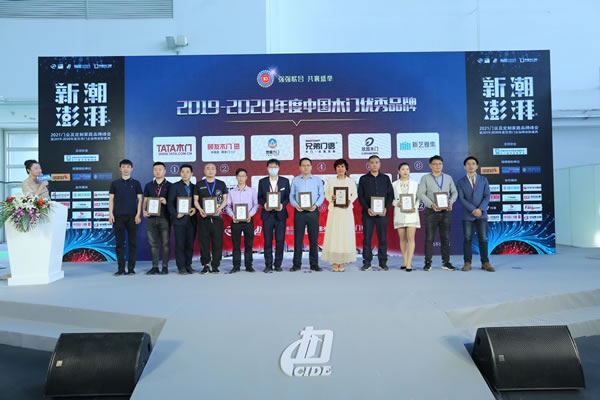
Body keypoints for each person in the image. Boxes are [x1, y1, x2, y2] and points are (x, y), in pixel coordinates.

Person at [417, 155, 458, 271]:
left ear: (442, 165)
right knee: (429, 238)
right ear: (430, 165)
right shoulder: (425, 178)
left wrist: (451, 202)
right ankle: (428, 262)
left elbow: (454, 192)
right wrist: (431, 204)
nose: (437, 166)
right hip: (431, 211)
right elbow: (420, 193)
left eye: (440, 164)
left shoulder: (448, 178)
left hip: (446, 212)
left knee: (445, 238)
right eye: (435, 164)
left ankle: (446, 262)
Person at [456, 156, 495, 272]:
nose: (471, 166)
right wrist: (473, 209)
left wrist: (480, 209)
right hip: (468, 215)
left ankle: (485, 262)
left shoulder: (483, 180)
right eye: (468, 164)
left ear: (477, 166)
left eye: (473, 163)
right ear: (465, 167)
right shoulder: (461, 181)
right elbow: (461, 198)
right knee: (467, 238)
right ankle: (467, 262)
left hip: (481, 214)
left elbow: (487, 196)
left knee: (483, 238)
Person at [357, 155, 394, 271]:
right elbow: (361, 196)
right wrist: (367, 208)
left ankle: (382, 262)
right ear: (368, 165)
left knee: (382, 238)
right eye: (372, 162)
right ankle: (367, 262)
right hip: (368, 213)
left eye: (376, 162)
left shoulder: (385, 178)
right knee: (367, 238)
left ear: (380, 164)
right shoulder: (363, 179)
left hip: (382, 213)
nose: (374, 164)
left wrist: (386, 208)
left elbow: (390, 195)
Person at [321, 159, 357, 272]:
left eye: (342, 166)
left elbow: (355, 194)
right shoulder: (331, 181)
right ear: (335, 169)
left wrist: (349, 200)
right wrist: (331, 198)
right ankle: (334, 261)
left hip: (346, 211)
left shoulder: (351, 181)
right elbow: (327, 193)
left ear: (346, 168)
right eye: (338, 167)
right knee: (334, 235)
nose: (340, 169)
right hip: (334, 211)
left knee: (344, 236)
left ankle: (342, 261)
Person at [289, 157, 324, 272]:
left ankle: (314, 264)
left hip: (313, 211)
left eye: (308, 165)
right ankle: (296, 264)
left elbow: (321, 195)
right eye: (303, 165)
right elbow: (291, 195)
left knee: (313, 239)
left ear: (311, 167)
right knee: (298, 239)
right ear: (299, 167)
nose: (306, 167)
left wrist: (316, 205)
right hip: (299, 212)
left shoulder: (317, 180)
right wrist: (295, 205)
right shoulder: (295, 180)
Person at [109, 159, 143, 276]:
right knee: (119, 244)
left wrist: (138, 214)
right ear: (120, 168)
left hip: (133, 217)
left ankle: (131, 268)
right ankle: (121, 268)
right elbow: (111, 199)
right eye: (123, 167)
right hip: (118, 217)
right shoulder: (115, 183)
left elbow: (140, 200)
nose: (126, 169)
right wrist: (110, 213)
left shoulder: (136, 183)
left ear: (131, 169)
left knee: (132, 243)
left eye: (128, 167)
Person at [193, 163, 228, 274]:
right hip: (204, 218)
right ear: (204, 171)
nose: (210, 170)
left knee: (217, 242)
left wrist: (220, 209)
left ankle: (215, 265)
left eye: (212, 168)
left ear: (216, 171)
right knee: (204, 243)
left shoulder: (221, 184)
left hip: (217, 218)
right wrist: (200, 210)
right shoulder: (199, 184)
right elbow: (195, 200)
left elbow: (225, 199)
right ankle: (206, 265)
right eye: (208, 168)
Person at [257, 159, 290, 273]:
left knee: (280, 240)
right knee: (267, 241)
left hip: (280, 214)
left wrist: (282, 205)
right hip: (267, 215)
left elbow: (288, 197)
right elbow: (259, 197)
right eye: (270, 167)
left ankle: (278, 264)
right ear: (267, 168)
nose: (273, 169)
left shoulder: (285, 181)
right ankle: (268, 265)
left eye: (275, 167)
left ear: (279, 168)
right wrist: (264, 204)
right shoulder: (262, 182)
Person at [225, 168, 258, 273]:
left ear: (246, 177)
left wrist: (250, 215)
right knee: (236, 245)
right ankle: (236, 266)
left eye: (243, 176)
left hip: (248, 220)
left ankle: (249, 265)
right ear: (236, 177)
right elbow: (227, 206)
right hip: (236, 221)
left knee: (249, 244)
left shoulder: (252, 191)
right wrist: (232, 215)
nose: (241, 178)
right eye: (239, 176)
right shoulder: (231, 192)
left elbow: (256, 205)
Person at [142, 161, 172, 275]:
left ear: (164, 171)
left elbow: (173, 203)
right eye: (155, 169)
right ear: (153, 171)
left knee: (165, 243)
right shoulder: (149, 185)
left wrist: (166, 201)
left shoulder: (170, 185)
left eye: (160, 169)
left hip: (165, 218)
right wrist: (144, 210)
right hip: (151, 218)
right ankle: (155, 267)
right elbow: (145, 200)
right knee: (153, 244)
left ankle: (165, 266)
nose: (158, 171)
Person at [167, 164, 197, 275]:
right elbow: (170, 203)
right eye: (183, 172)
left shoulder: (195, 187)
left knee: (190, 244)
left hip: (191, 220)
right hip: (179, 220)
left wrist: (195, 210)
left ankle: (188, 265)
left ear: (191, 173)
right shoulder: (174, 186)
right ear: (180, 173)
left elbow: (198, 203)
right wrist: (176, 214)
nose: (185, 174)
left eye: (187, 172)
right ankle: (181, 267)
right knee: (180, 244)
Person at [392, 162, 421, 271]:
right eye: (403, 169)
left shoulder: (415, 184)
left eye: (407, 169)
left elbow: (418, 198)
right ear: (398, 171)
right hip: (400, 214)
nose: (405, 171)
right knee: (402, 239)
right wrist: (396, 203)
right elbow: (390, 199)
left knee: (411, 239)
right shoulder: (394, 184)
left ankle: (409, 263)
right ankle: (404, 260)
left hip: (412, 214)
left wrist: (415, 206)